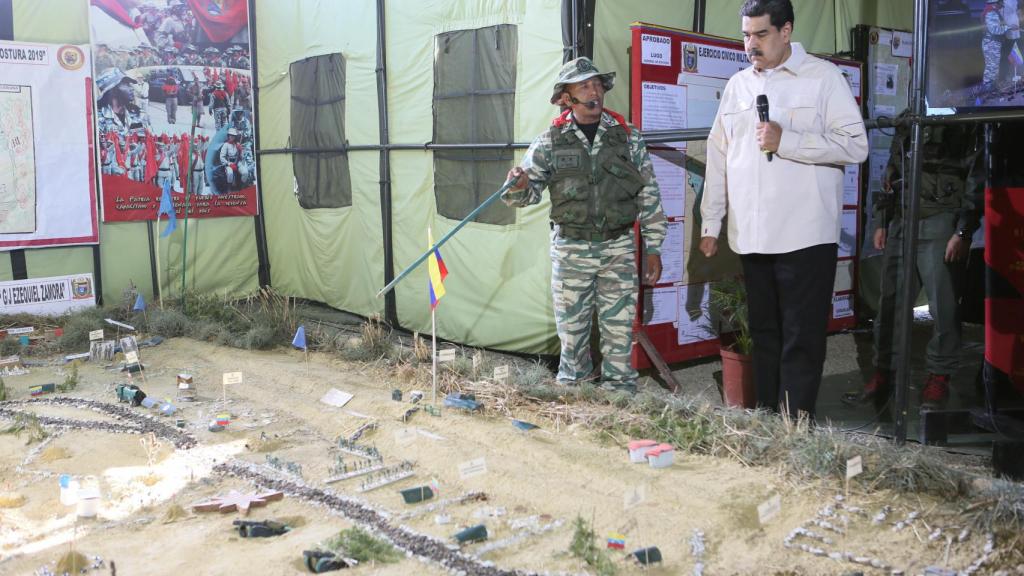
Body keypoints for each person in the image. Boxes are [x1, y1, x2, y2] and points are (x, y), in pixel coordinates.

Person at [699, 0, 868, 418]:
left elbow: (856, 146)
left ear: (786, 31)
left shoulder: (823, 78)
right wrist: (711, 222)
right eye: (745, 35)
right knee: (764, 334)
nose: (750, 45)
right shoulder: (738, 85)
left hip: (805, 235)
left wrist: (786, 140)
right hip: (752, 235)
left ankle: (795, 426)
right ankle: (766, 424)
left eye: (761, 34)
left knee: (801, 337)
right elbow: (718, 155)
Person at [503, 57, 667, 393]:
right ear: (567, 97)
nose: (594, 91)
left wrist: (654, 247)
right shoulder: (550, 140)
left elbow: (648, 193)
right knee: (572, 338)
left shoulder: (627, 137)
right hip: (571, 252)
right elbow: (523, 196)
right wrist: (518, 185)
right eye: (584, 86)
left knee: (619, 337)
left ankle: (619, 401)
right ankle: (574, 401)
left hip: (618, 250)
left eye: (597, 84)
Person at [847, 110, 982, 411]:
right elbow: (893, 171)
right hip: (902, 221)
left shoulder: (963, 120)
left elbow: (976, 178)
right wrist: (883, 220)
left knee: (943, 307)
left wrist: (963, 231)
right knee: (890, 306)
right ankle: (885, 373)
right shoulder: (909, 119)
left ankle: (939, 376)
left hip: (942, 221)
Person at [982, 0, 1008, 95]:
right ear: (995, 3)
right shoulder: (991, 13)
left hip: (993, 43)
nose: (1002, 5)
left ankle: (992, 89)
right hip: (991, 43)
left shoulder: (992, 12)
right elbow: (995, 30)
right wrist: (1008, 27)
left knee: (994, 67)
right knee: (991, 68)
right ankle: (987, 90)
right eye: (1000, 3)